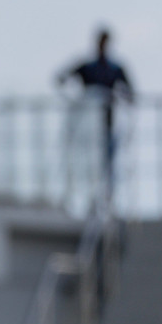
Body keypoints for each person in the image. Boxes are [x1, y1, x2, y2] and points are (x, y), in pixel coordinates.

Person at [57, 28, 133, 199]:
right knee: (89, 164)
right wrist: (76, 99)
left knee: (107, 165)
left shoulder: (114, 68)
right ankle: (90, 197)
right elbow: (61, 78)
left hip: (107, 124)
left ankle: (106, 198)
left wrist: (116, 97)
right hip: (87, 129)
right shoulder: (87, 67)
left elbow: (130, 93)